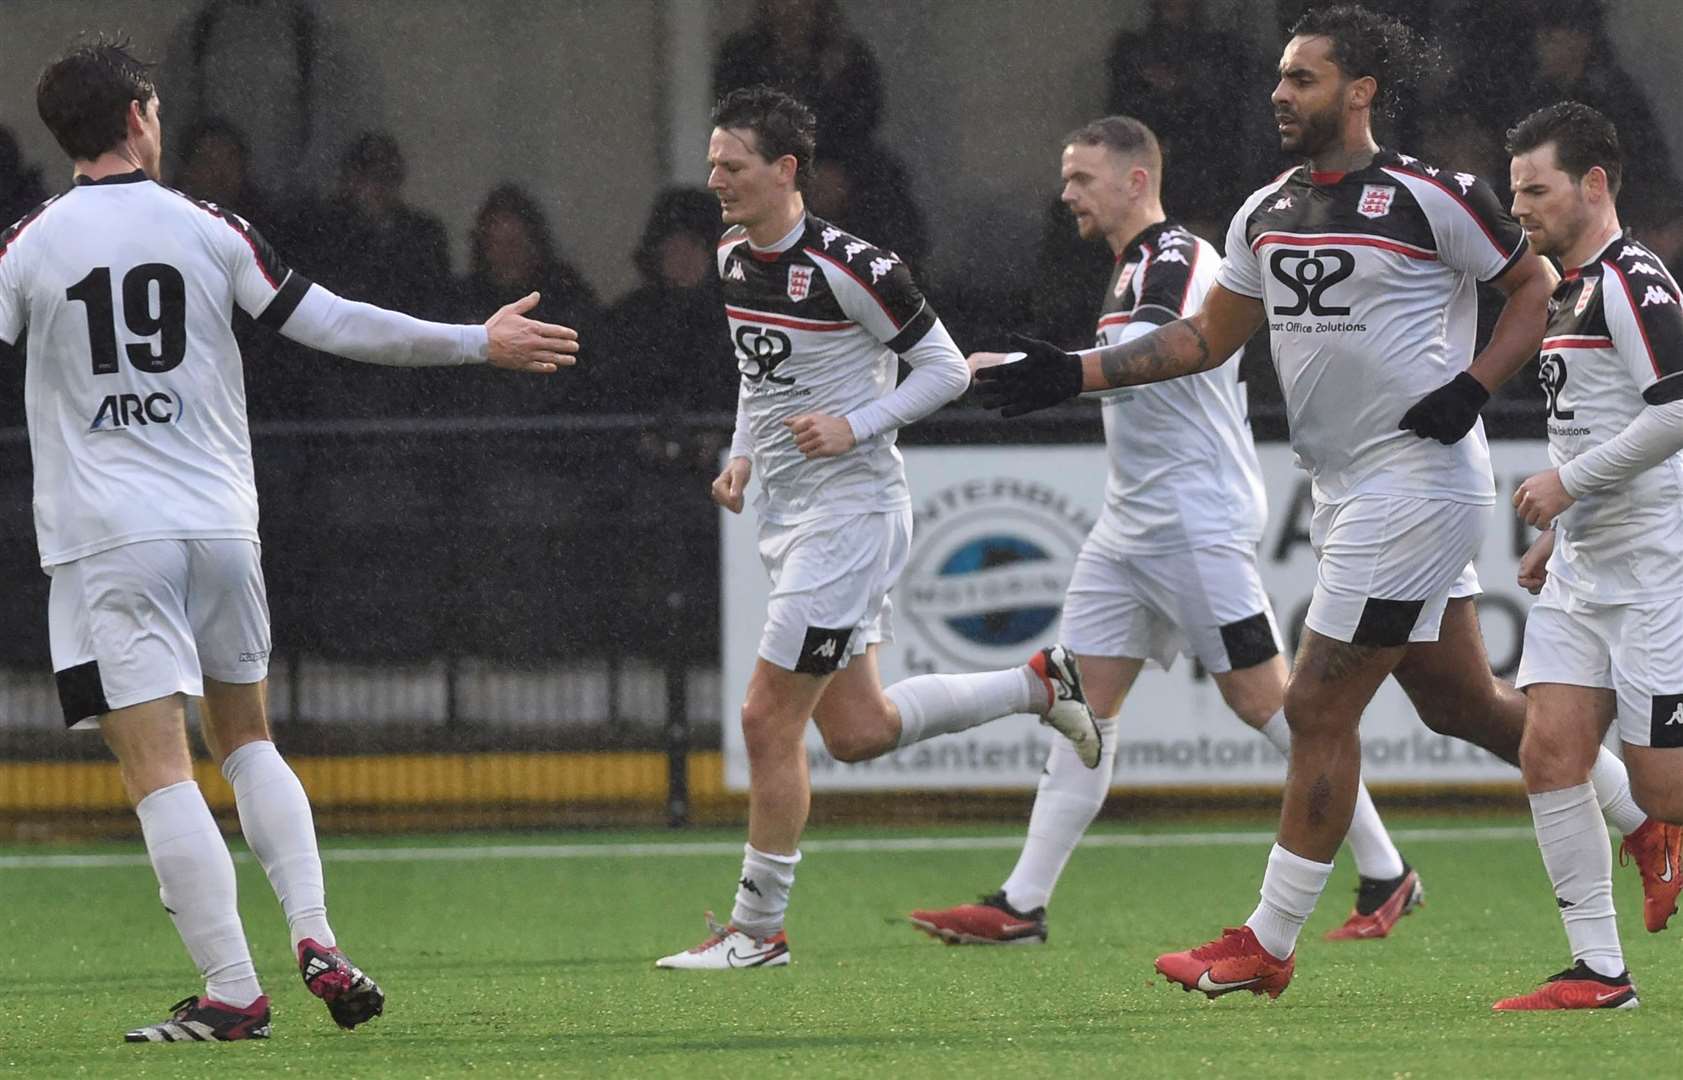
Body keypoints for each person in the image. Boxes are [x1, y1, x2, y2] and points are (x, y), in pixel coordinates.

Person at [971, 4, 1677, 1000]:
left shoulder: (1436, 197)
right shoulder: (1265, 211)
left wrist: (1473, 387)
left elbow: (1532, 286)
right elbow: (1203, 340)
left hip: (1416, 485)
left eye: (1302, 77)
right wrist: (1072, 372)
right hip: (1348, 490)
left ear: (1361, 91)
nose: (1280, 92)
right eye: (1280, 76)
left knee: (1314, 703)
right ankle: (1644, 824)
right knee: (1460, 701)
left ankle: (1268, 941)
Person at [4, 37, 578, 1042]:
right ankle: (317, 936)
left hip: (108, 540)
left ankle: (233, 992)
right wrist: (473, 341)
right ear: (140, 119)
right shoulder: (210, 226)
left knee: (159, 770)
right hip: (223, 526)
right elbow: (335, 322)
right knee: (248, 737)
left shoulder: (30, 245)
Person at [906, 116, 1418, 948]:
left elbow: (1166, 349)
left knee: (1269, 704)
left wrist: (1047, 372)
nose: (1065, 191)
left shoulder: (1176, 255)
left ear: (1135, 179)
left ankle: (1387, 871)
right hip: (1132, 523)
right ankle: (1020, 903)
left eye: (1081, 176)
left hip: (1191, 519)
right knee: (1080, 706)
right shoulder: (1128, 267)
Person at [654, 86, 1101, 971]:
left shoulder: (854, 265)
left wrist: (855, 426)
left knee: (763, 719)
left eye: (731, 165)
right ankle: (1038, 685)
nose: (715, 181)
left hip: (849, 517)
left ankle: (757, 932)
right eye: (712, 164)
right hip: (790, 515)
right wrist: (743, 451)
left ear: (785, 170)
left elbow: (942, 369)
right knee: (857, 731)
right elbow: (757, 371)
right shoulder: (734, 255)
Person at [1497, 103, 1683, 1010]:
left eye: (1536, 188)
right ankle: (1598, 972)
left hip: (1657, 569)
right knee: (1549, 751)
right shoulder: (1566, 285)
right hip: (1584, 567)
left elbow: (1678, 410)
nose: (1520, 205)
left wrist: (1565, 488)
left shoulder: (1632, 278)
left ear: (1594, 183)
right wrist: (1556, 532)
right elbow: (1603, 423)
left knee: (1665, 789)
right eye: (1513, 190)